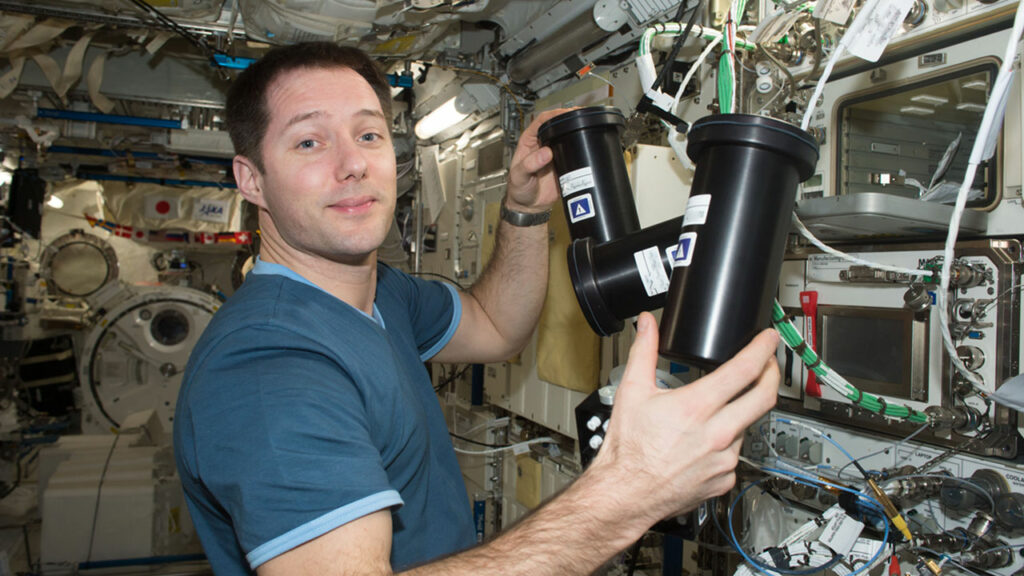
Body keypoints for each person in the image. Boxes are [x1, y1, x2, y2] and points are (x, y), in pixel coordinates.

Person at [173, 41, 780, 576]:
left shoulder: (379, 293)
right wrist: (630, 490)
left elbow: (494, 328)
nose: (353, 163)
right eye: (310, 141)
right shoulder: (269, 366)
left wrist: (524, 211)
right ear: (251, 180)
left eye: (368, 134)